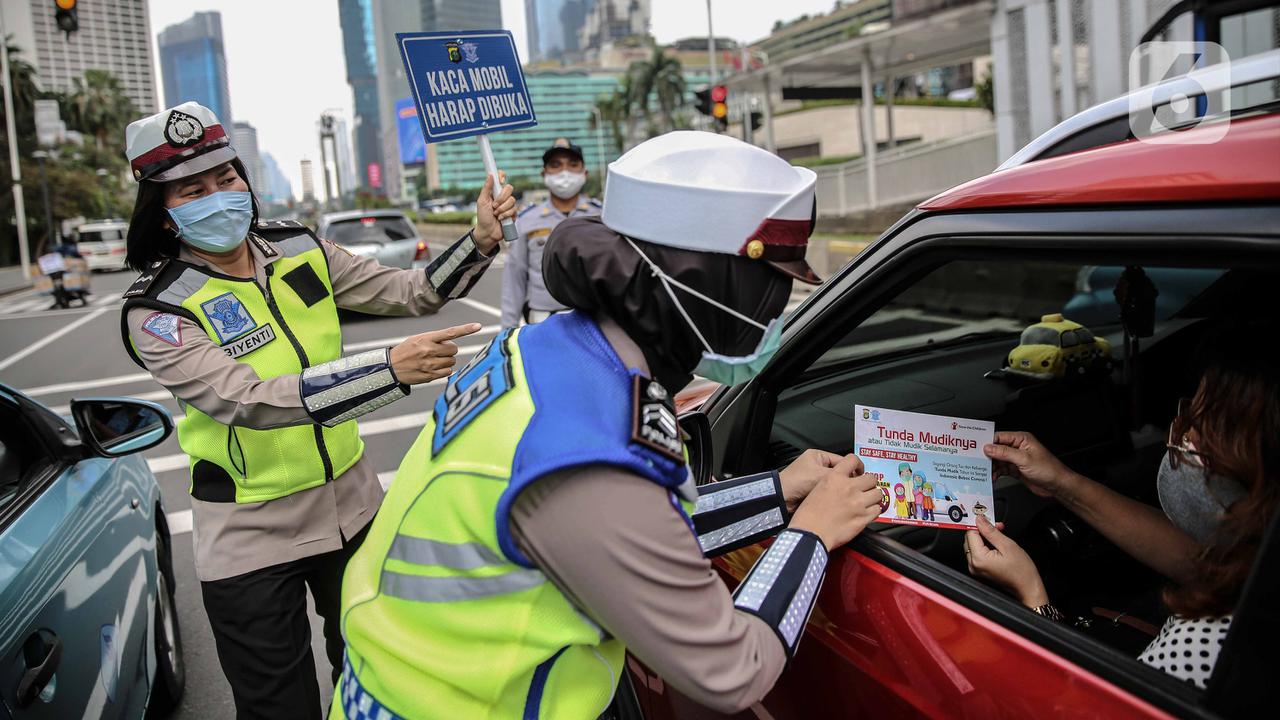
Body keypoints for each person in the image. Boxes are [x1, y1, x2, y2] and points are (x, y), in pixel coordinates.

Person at [334, 131, 885, 719]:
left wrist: (778, 492)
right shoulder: (590, 451)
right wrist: (813, 536)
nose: (779, 310)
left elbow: (642, 538)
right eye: (775, 286)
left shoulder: (543, 350)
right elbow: (731, 670)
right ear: (709, 282)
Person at [116, 101, 515, 719]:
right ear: (164, 215)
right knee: (281, 707)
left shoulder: (300, 248)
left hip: (354, 507)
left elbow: (413, 291)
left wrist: (480, 241)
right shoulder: (158, 309)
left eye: (226, 178)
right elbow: (242, 399)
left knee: (378, 676)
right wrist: (386, 372)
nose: (218, 195)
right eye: (193, 190)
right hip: (249, 533)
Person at [964, 323, 1277, 689]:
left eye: (1202, 424)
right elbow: (1199, 560)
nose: (1183, 433)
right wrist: (1062, 481)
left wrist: (1033, 597)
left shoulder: (1205, 644)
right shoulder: (1257, 566)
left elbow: (1077, 708)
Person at [500, 137, 601, 328]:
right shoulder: (527, 220)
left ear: (584, 173)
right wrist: (507, 332)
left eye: (572, 164)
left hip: (595, 319)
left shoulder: (602, 216)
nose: (565, 172)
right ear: (544, 174)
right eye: (556, 165)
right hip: (543, 320)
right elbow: (515, 277)